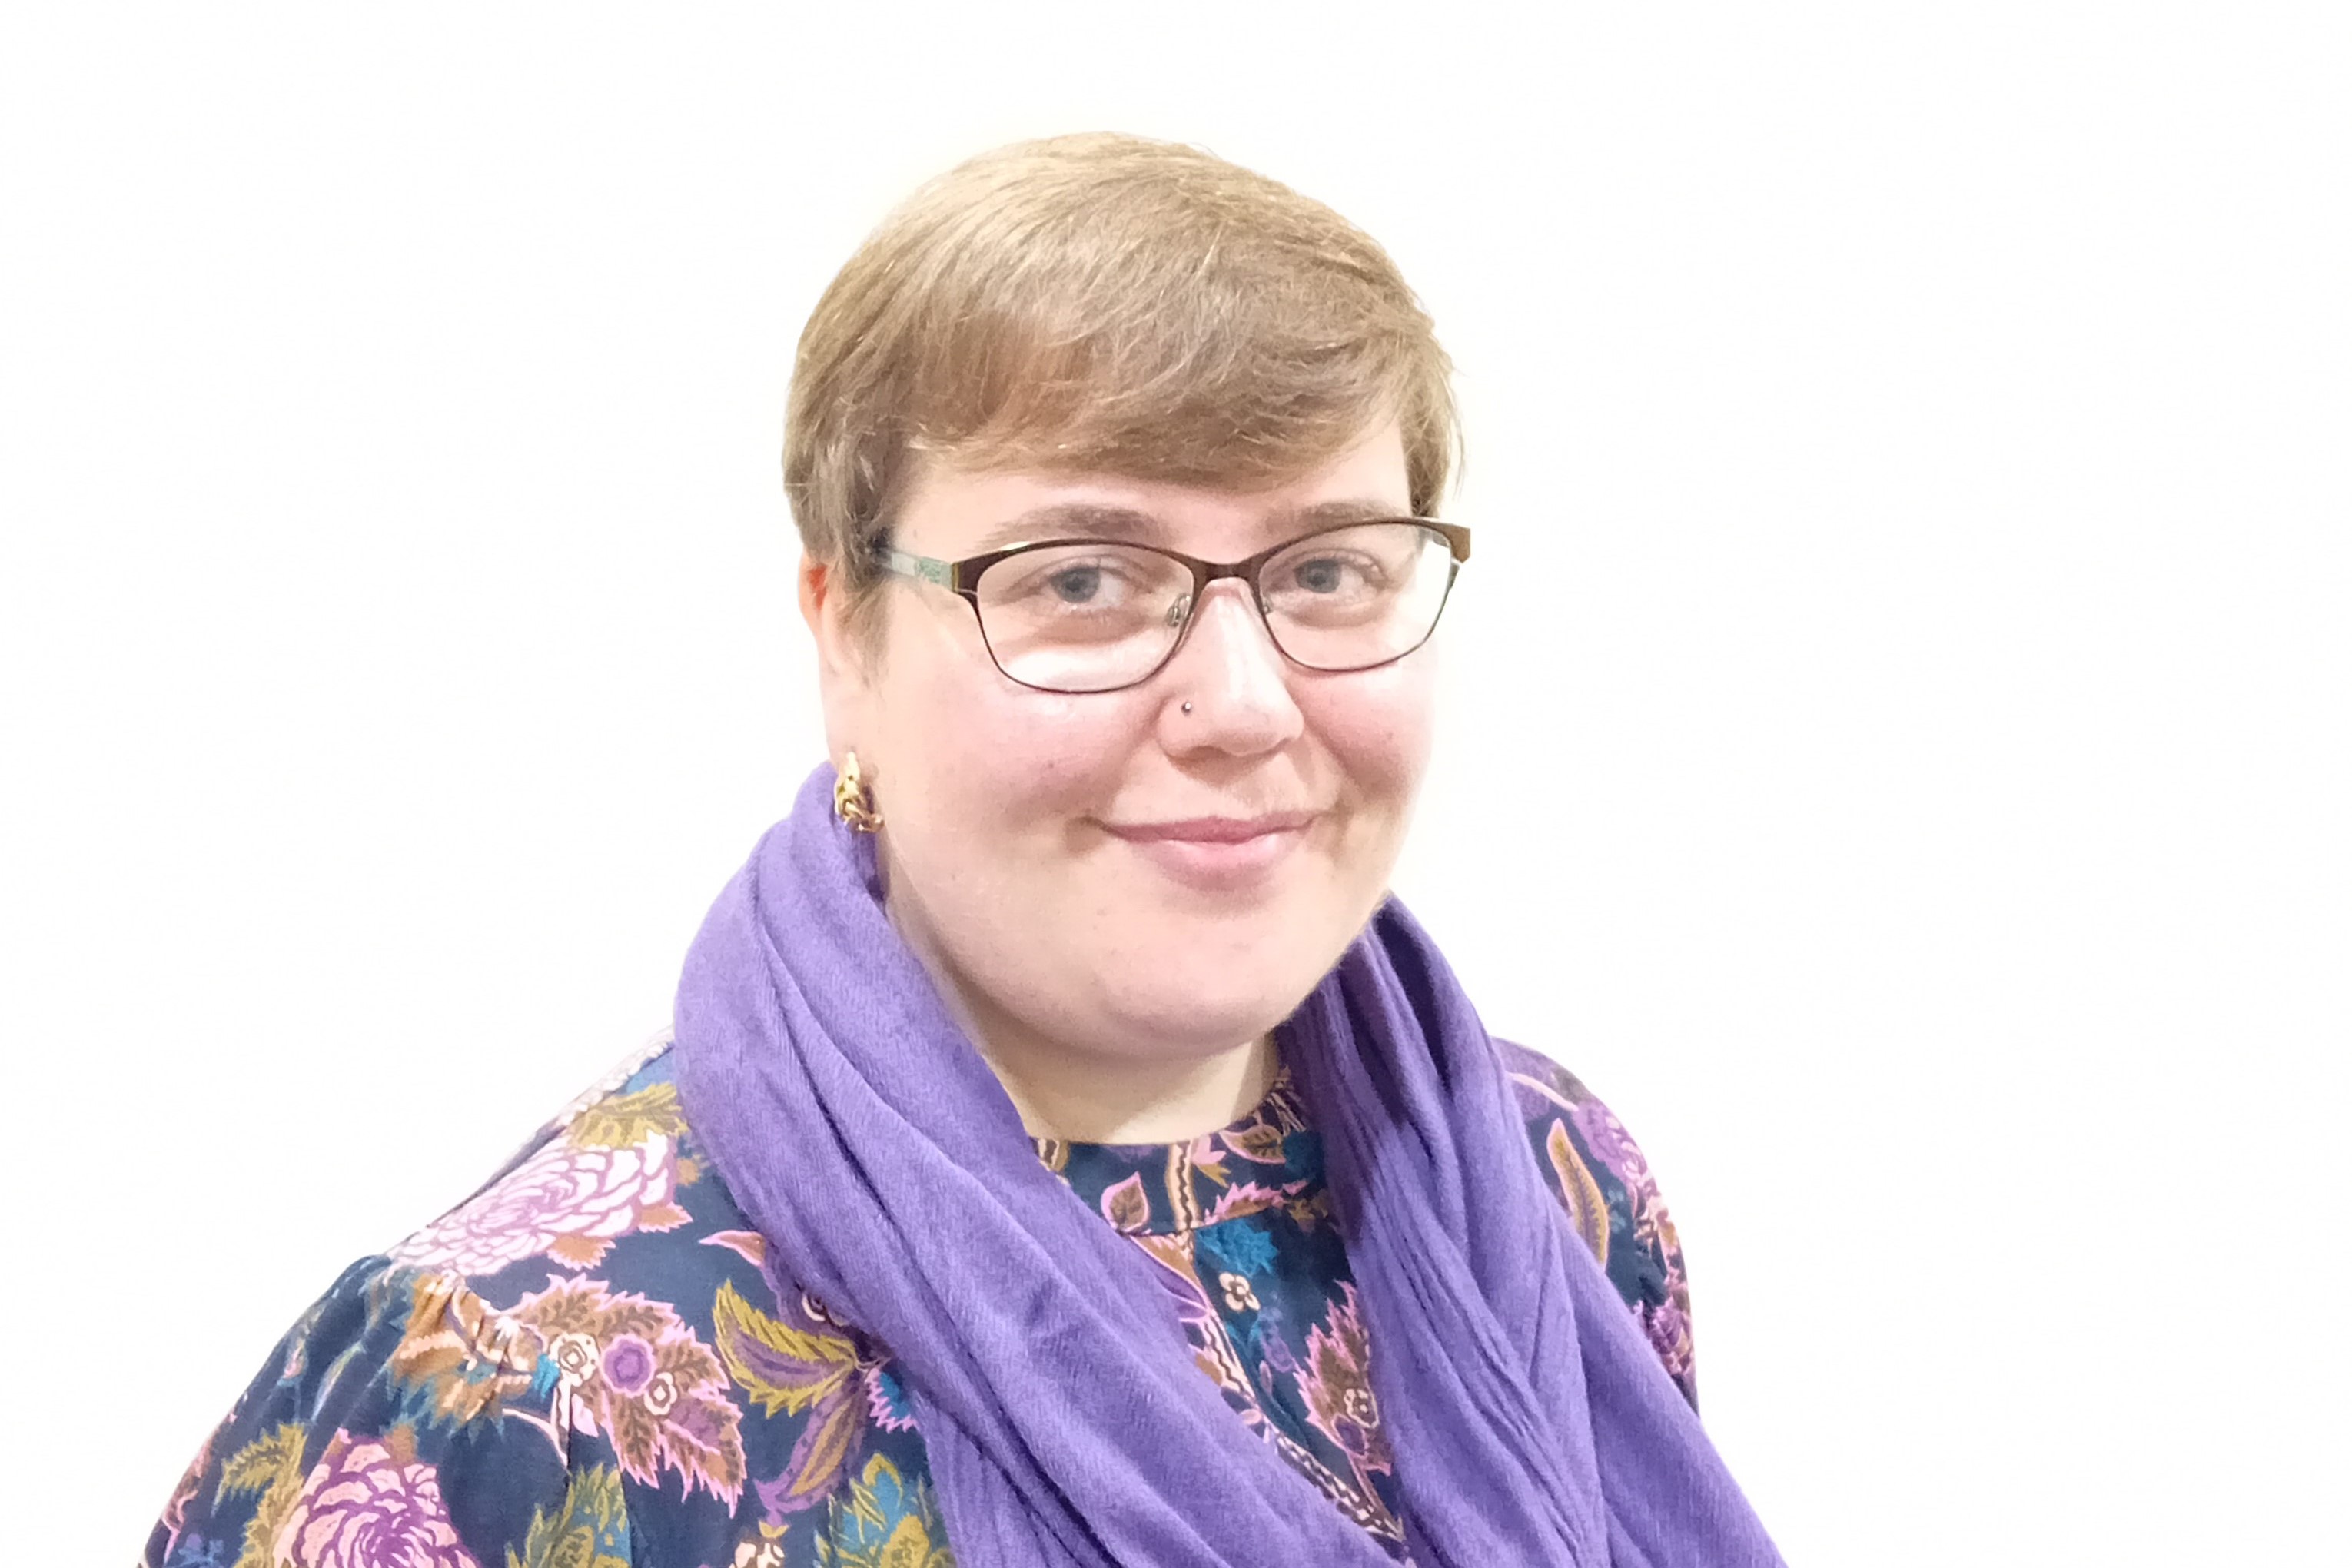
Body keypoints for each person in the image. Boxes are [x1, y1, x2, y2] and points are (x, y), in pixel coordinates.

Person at [144, 134, 1779, 1568]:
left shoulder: (1561, 1185)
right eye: (1080, 579)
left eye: (1330, 572)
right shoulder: (513, 1381)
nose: (1240, 703)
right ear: (842, 633)